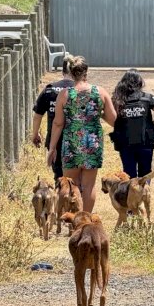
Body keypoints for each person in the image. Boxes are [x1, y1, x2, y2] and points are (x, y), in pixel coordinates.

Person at [48, 56, 116, 213]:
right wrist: (97, 113)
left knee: (70, 184)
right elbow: (113, 120)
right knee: (89, 185)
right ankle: (85, 218)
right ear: (86, 72)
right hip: (92, 143)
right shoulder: (100, 92)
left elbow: (58, 123)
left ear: (71, 74)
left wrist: (52, 148)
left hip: (71, 142)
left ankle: (72, 217)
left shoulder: (65, 94)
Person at [110, 69, 154, 179]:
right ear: (139, 82)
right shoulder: (147, 97)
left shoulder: (118, 100)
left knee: (129, 175)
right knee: (145, 175)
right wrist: (151, 123)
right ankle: (144, 195)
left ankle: (131, 195)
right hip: (145, 142)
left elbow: (112, 119)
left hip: (125, 143)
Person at [31, 53, 74, 187]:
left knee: (59, 175)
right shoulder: (80, 90)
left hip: (55, 139)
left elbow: (38, 115)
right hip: (75, 138)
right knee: (75, 177)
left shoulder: (49, 90)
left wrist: (35, 133)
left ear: (62, 71)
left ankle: (61, 200)